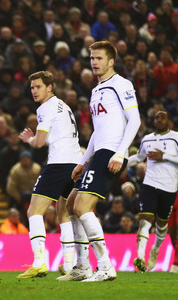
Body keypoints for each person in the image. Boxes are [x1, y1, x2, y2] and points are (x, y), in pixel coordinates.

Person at [63, 41, 141, 282]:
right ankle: (83, 266)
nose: (94, 62)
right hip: (100, 153)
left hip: (112, 154)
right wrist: (83, 161)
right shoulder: (96, 90)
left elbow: (135, 120)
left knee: (82, 207)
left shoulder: (121, 84)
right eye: (92, 58)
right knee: (71, 205)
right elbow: (98, 130)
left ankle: (105, 265)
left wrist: (120, 153)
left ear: (111, 62)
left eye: (99, 58)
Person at [17, 71, 81, 278]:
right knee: (64, 214)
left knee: (33, 212)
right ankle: (70, 265)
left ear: (49, 87)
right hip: (74, 163)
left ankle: (38, 263)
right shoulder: (64, 105)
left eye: (38, 87)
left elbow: (40, 142)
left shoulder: (46, 107)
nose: (34, 91)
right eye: (32, 88)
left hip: (58, 163)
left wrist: (29, 139)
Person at [127, 111, 178, 272]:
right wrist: (121, 162)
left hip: (169, 187)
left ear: (168, 120)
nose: (159, 119)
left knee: (162, 224)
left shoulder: (176, 137)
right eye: (156, 117)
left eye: (163, 117)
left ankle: (155, 249)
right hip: (149, 184)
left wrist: (165, 156)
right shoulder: (147, 139)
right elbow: (139, 158)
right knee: (145, 220)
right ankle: (140, 258)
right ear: (153, 120)